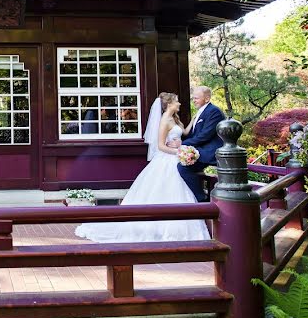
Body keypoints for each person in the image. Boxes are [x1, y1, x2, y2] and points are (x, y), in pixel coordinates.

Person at [74, 92, 210, 243]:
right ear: (169, 104)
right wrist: (179, 151)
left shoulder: (174, 119)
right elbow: (160, 146)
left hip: (175, 157)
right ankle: (162, 228)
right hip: (167, 158)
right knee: (165, 190)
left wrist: (195, 118)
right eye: (177, 101)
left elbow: (184, 132)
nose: (179, 103)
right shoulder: (165, 120)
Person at [176, 86, 225, 202]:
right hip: (201, 149)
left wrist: (182, 144)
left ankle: (201, 199)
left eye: (196, 98)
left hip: (210, 151)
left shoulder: (214, 111)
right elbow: (194, 134)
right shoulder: (201, 112)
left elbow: (205, 135)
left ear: (207, 99)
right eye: (193, 98)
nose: (194, 100)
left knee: (183, 168)